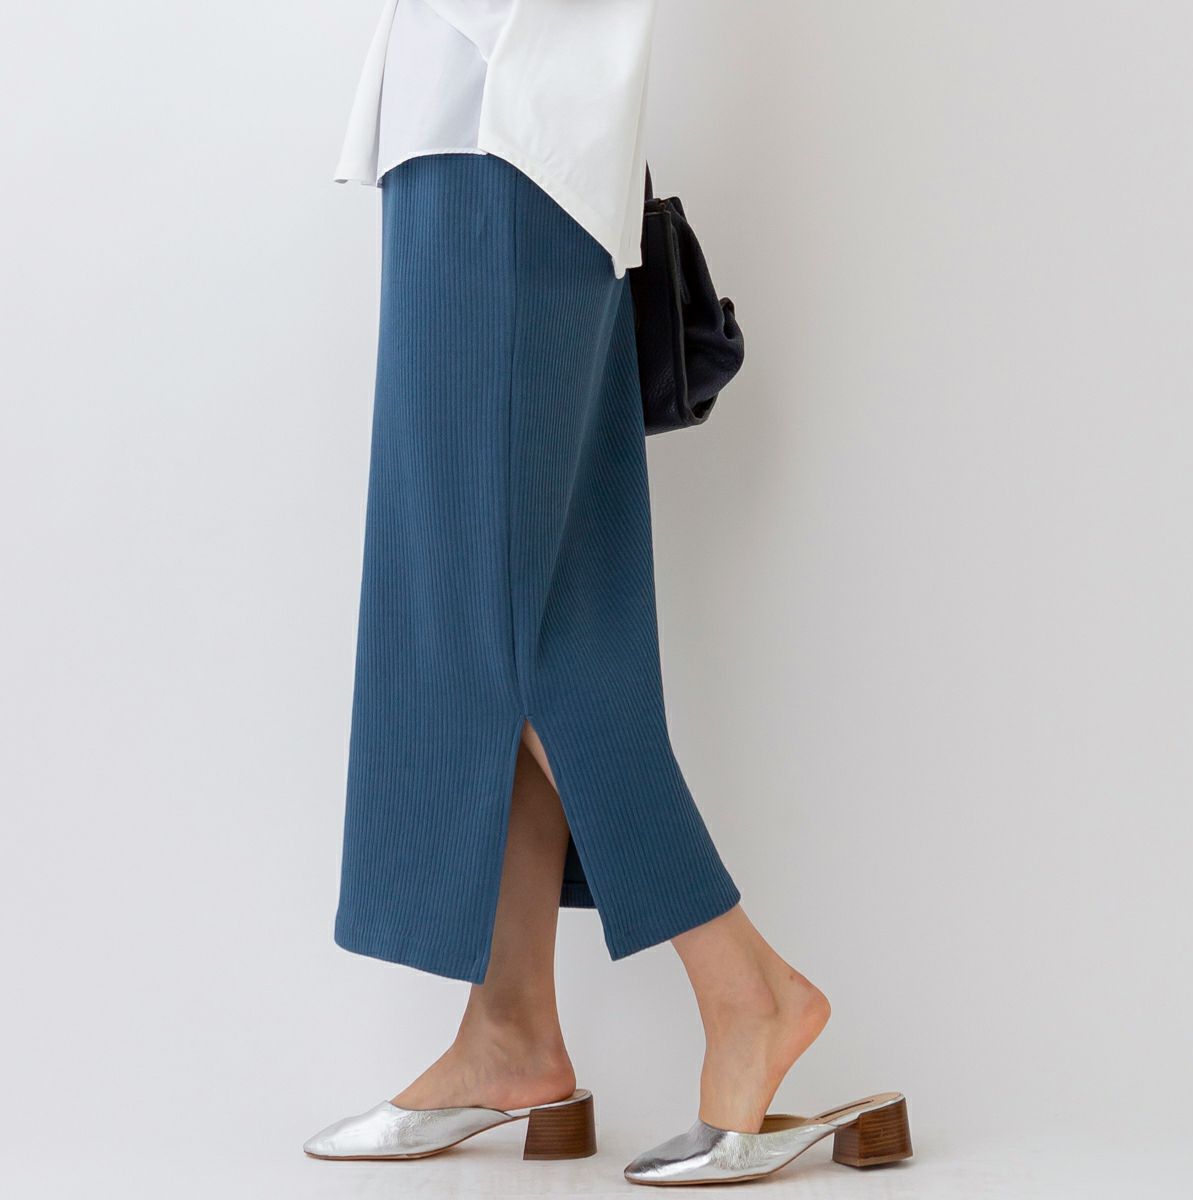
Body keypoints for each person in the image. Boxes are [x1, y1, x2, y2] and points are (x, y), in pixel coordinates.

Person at [303, 1, 909, 1185]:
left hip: (498, 130)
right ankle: (512, 1034)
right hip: (495, 131)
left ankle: (749, 992)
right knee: (545, 620)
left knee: (488, 629)